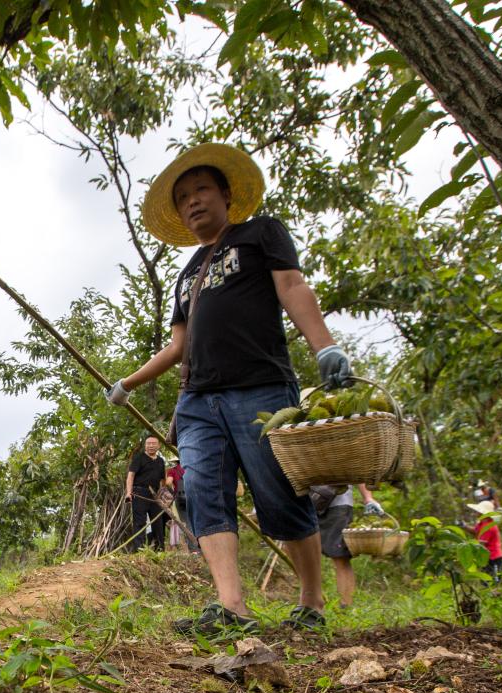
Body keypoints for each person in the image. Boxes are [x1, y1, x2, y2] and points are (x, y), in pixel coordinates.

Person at [106, 143, 357, 635]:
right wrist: (129, 383)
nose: (193, 201)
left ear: (225, 194)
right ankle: (232, 606)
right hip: (198, 399)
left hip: (261, 388)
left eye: (201, 189)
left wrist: (325, 346)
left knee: (279, 492)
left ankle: (312, 599)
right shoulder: (186, 275)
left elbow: (292, 287)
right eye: (183, 197)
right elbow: (178, 345)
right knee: (202, 491)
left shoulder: (261, 233)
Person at [313, 484, 384, 609]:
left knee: (340, 556)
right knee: (303, 554)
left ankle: (346, 606)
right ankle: (311, 602)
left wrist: (368, 498)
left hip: (338, 502)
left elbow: (357, 469)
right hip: (306, 499)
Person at [124, 435, 169, 551]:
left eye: (154, 443)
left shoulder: (160, 461)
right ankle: (140, 549)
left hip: (155, 495)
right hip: (139, 492)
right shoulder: (139, 458)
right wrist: (129, 493)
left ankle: (159, 549)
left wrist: (162, 495)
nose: (151, 446)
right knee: (139, 522)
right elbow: (131, 475)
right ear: (145, 445)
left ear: (158, 446)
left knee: (158, 522)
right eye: (148, 443)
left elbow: (162, 480)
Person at [468, 500, 502, 583]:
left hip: (493, 557)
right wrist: (464, 526)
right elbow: (475, 531)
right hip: (487, 557)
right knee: (485, 581)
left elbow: (481, 544)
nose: (476, 512)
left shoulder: (489, 527)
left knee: (493, 581)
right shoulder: (482, 523)